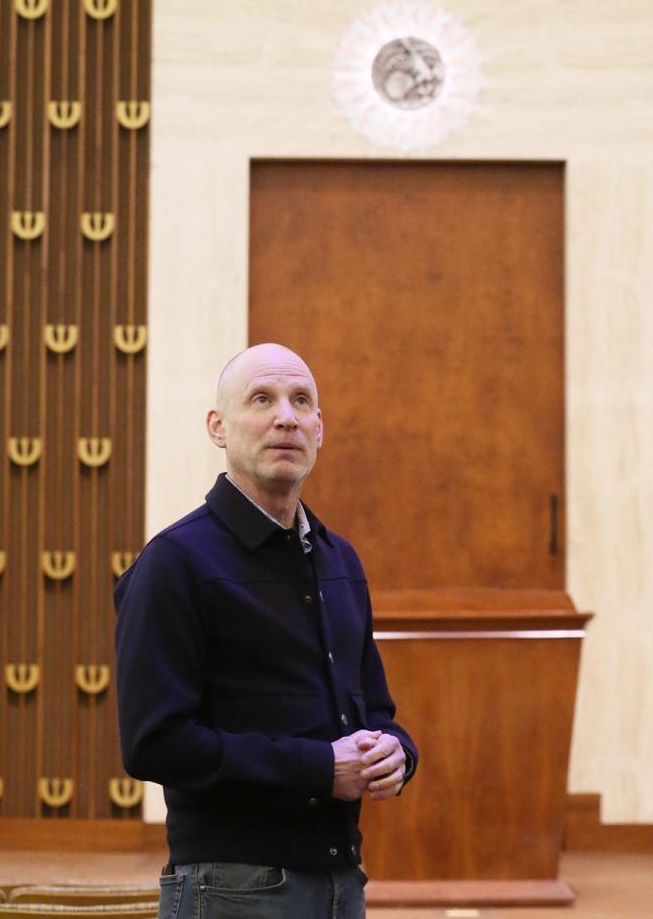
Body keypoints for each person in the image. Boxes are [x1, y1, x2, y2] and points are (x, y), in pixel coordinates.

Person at [114, 342, 417, 919]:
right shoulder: (174, 562)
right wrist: (320, 768)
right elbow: (154, 743)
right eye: (262, 399)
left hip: (340, 882)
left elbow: (374, 710)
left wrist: (397, 753)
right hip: (229, 889)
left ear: (319, 429)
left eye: (301, 401)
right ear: (218, 427)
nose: (286, 416)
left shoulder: (340, 560)